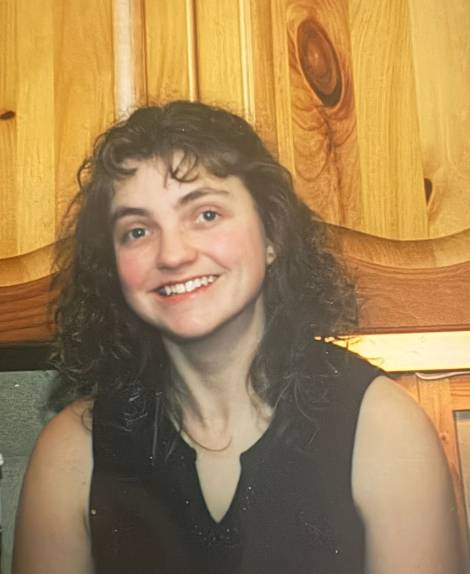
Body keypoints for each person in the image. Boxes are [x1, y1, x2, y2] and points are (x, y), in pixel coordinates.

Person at [13, 101, 463, 574]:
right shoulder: (72, 452)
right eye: (138, 230)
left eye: (206, 214)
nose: (172, 254)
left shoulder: (384, 428)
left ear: (271, 235)